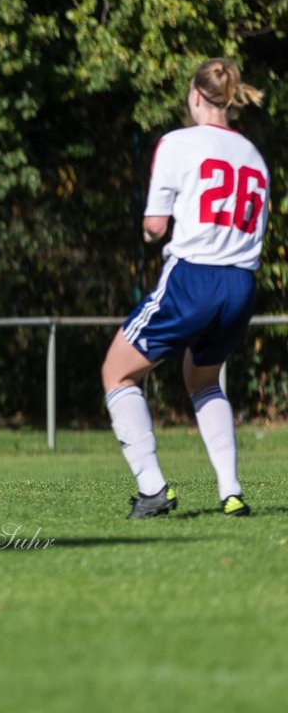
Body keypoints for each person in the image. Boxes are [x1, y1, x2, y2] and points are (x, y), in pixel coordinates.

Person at [101, 58, 267, 519]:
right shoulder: (253, 155)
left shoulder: (177, 142)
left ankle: (153, 489)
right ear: (229, 99)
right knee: (203, 380)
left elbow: (156, 225)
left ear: (195, 96)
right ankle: (231, 492)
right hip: (241, 283)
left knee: (117, 373)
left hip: (195, 276)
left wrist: (151, 231)